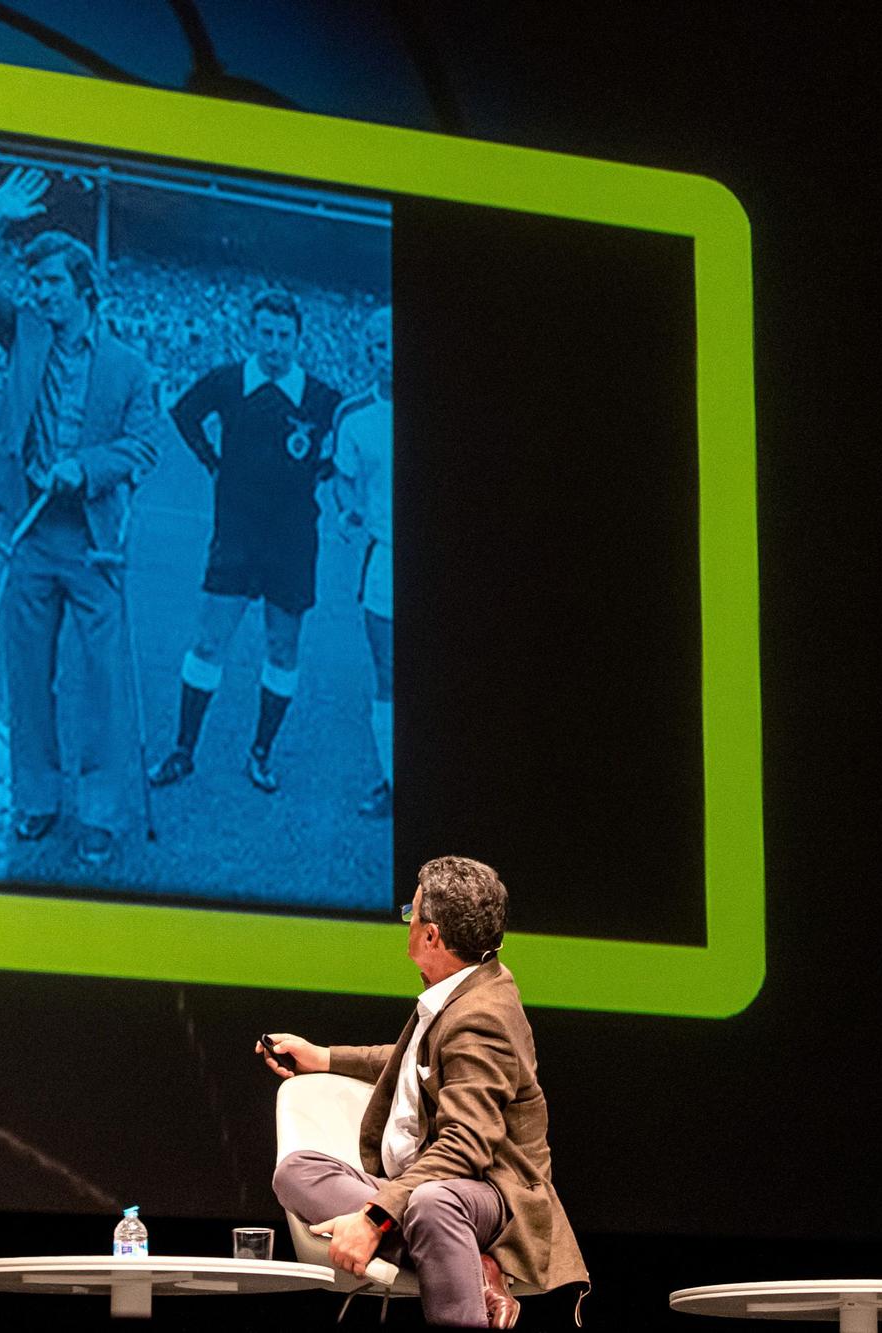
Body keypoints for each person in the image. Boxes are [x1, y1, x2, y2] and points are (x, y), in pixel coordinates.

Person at [261, 857, 588, 1327]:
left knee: (432, 1205)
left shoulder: (481, 1018)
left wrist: (374, 1219)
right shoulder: (464, 985)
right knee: (297, 1171)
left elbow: (465, 1148)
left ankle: (467, 1255)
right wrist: (325, 1057)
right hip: (424, 1187)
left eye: (410, 913)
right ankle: (476, 1266)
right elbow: (416, 1062)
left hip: (492, 1194)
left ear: (431, 935)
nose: (407, 921)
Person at [0, 167, 163, 865]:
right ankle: (37, 800)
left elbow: (144, 446)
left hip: (96, 544)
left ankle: (100, 811)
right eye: (34, 283)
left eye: (50, 285)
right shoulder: (24, 334)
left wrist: (87, 467)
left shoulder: (131, 367)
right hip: (28, 535)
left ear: (83, 290)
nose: (37, 294)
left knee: (101, 683)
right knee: (28, 675)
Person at [147, 288, 342, 794]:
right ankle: (183, 751)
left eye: (284, 335)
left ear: (299, 338)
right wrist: (213, 462)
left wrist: (315, 476)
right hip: (234, 535)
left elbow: (345, 452)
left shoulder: (323, 400)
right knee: (209, 641)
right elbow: (183, 414)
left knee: (282, 649)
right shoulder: (229, 382)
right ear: (252, 333)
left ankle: (260, 754)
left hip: (294, 544)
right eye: (266, 334)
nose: (275, 345)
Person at [330, 306, 393, 817]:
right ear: (368, 351)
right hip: (385, 560)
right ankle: (392, 782)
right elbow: (343, 479)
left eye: (395, 342)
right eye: (378, 345)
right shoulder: (355, 417)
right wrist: (348, 510)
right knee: (389, 672)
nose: (388, 354)